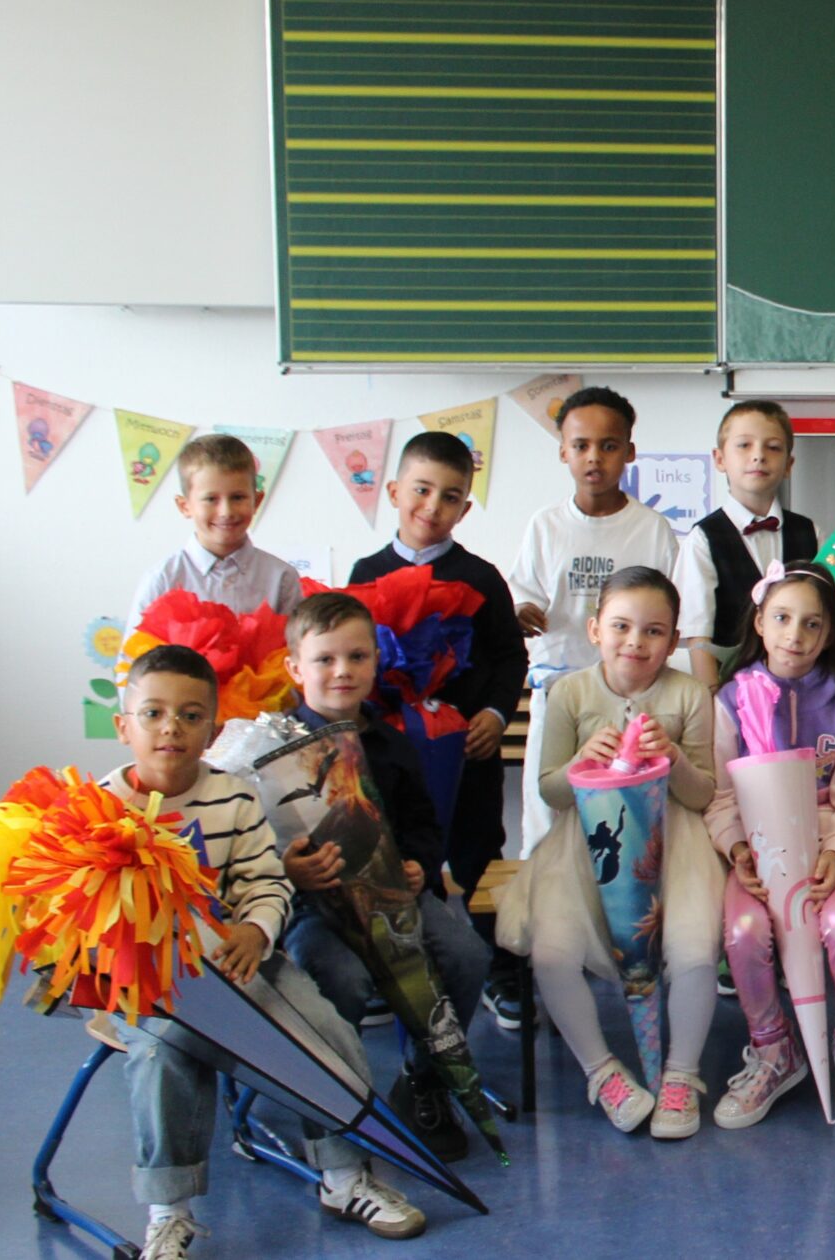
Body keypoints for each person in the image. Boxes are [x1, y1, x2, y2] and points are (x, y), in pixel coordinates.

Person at [103, 644, 424, 1260]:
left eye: (191, 715)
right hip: (146, 980)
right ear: (125, 727)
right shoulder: (99, 807)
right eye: (154, 714)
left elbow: (265, 881)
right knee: (161, 1059)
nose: (172, 727)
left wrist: (255, 930)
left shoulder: (233, 797)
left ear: (212, 728)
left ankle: (342, 1174)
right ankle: (170, 1211)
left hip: (238, 960)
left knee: (326, 1030)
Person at [498, 567, 720, 1139]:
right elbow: (549, 790)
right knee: (553, 952)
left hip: (672, 846)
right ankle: (602, 1069)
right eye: (621, 626)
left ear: (673, 641)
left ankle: (681, 1074)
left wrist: (672, 757)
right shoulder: (568, 692)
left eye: (653, 632)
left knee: (694, 951)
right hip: (584, 848)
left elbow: (702, 795)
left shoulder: (690, 694)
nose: (636, 642)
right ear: (595, 629)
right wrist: (578, 768)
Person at [278, 592, 491, 1161]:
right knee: (340, 978)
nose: (342, 671)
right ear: (296, 668)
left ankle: (423, 1078)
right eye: (324, 660)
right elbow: (253, 849)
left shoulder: (392, 744)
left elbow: (424, 823)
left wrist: (420, 862)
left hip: (394, 896)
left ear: (375, 662)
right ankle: (330, 1094)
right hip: (312, 908)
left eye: (357, 657)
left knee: (466, 956)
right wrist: (292, 870)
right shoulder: (271, 751)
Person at [701, 564, 835, 1132]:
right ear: (759, 621)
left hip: (826, 846)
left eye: (812, 625)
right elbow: (719, 795)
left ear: (830, 633)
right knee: (744, 931)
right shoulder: (732, 698)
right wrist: (737, 849)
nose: (795, 635)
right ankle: (773, 1049)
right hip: (757, 849)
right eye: (782, 619)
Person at [346, 430, 529, 1027]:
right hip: (394, 761)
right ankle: (390, 970)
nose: (432, 506)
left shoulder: (480, 576)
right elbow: (354, 661)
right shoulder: (365, 572)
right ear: (395, 491)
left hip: (468, 756)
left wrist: (495, 716)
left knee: (477, 858)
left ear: (465, 508)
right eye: (421, 490)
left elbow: (509, 657)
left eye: (450, 496)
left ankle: (501, 973)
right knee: (393, 858)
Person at [509, 387, 679, 863]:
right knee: (547, 815)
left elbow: (667, 611)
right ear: (562, 450)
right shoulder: (545, 526)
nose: (593, 458)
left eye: (608, 446)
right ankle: (543, 921)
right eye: (580, 445)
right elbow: (524, 592)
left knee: (624, 819)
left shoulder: (652, 529)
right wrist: (522, 611)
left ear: (629, 451)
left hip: (630, 697)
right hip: (560, 691)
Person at [674, 400, 825, 689]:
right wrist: (714, 705)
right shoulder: (703, 539)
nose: (758, 456)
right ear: (719, 459)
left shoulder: (810, 532)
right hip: (732, 694)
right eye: (744, 445)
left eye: (773, 447)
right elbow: (698, 638)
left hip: (804, 691)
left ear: (789, 465)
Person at [126, 433, 303, 622]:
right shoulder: (162, 580)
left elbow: (299, 649)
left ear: (256, 501)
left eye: (237, 497)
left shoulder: (282, 579)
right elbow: (135, 651)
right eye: (211, 499)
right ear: (185, 506)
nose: (226, 511)